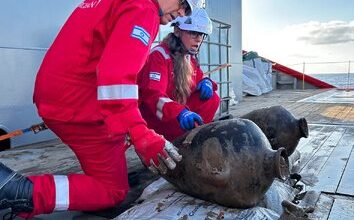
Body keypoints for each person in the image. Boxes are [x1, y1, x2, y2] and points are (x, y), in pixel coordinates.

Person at [0, 0, 205, 218]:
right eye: (183, 3)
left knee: (118, 145)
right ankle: (20, 191)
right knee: (112, 189)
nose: (183, 13)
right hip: (79, 104)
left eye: (188, 10)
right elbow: (116, 80)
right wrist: (141, 134)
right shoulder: (144, 9)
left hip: (60, 96)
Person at [138, 8, 220, 142]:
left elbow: (200, 76)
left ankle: (192, 138)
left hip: (175, 114)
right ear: (177, 31)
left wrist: (207, 82)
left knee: (212, 99)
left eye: (201, 34)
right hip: (157, 118)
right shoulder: (159, 55)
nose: (198, 39)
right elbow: (153, 95)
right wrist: (179, 112)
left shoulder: (188, 57)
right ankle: (172, 142)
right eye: (193, 33)